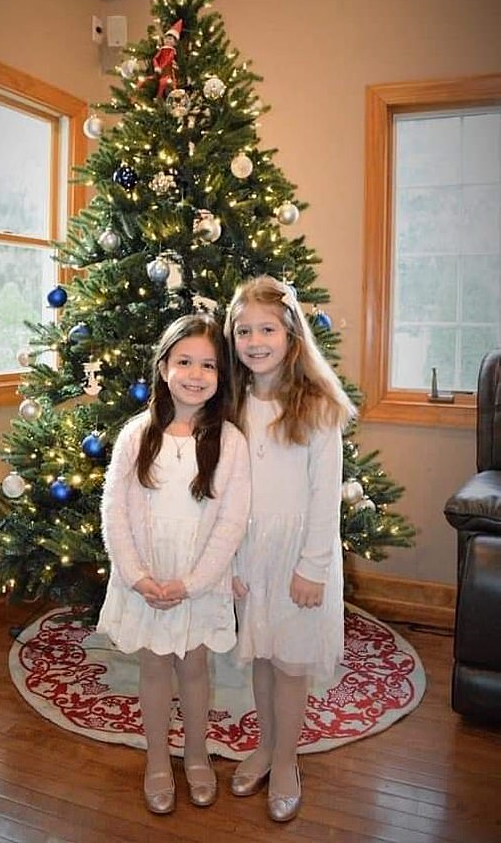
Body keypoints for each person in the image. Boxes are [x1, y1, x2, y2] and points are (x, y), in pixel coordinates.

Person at [97, 313, 250, 815]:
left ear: (220, 376)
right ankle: (158, 758)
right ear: (164, 368)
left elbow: (232, 522)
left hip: (197, 581)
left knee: (195, 666)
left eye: (208, 365)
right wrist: (138, 576)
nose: (195, 373)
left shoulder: (230, 441)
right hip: (146, 577)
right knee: (155, 667)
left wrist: (194, 583)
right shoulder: (135, 436)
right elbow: (114, 512)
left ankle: (198, 754)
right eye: (184, 361)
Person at [223, 275, 356, 823]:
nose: (255, 341)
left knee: (291, 662)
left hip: (301, 554)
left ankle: (285, 761)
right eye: (244, 330)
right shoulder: (231, 403)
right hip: (251, 553)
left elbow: (326, 499)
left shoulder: (318, 408)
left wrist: (313, 567)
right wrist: (230, 560)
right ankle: (264, 744)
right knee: (261, 651)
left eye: (267, 329)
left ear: (291, 334)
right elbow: (225, 492)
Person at [152, 19, 182, 98]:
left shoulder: (172, 51)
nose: (168, 40)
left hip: (168, 72)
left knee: (165, 83)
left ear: (175, 42)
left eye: (170, 39)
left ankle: (161, 97)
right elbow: (155, 58)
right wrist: (156, 66)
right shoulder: (162, 50)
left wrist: (161, 67)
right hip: (160, 72)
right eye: (166, 38)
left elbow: (169, 59)